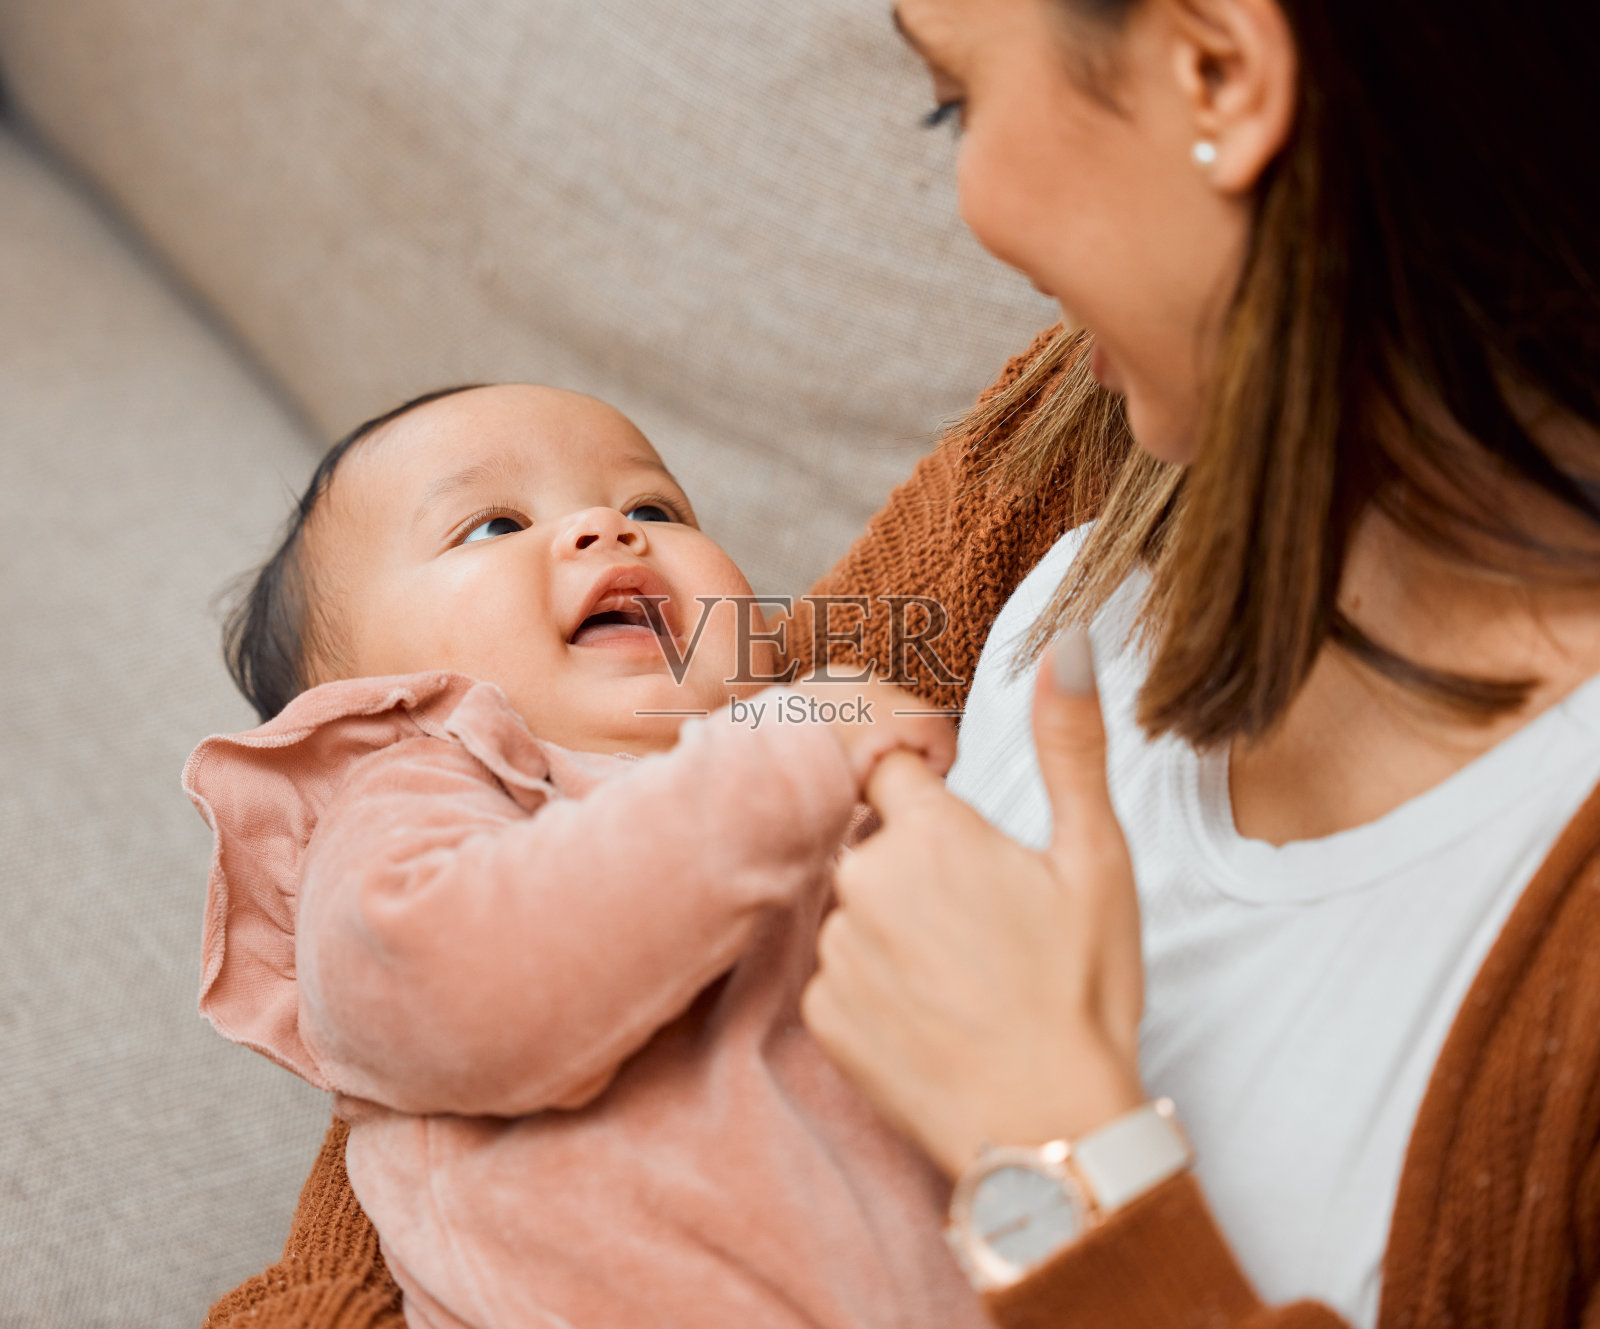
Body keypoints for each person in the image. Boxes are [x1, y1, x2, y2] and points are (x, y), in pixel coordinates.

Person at [206, 0, 1600, 1326]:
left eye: (956, 101)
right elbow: (445, 1011)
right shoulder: (1109, 413)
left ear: (1221, 73)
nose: (604, 530)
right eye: (495, 526)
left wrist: (1057, 1152)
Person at [184, 382, 983, 1329]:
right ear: (372, 696)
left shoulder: (823, 772)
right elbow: (447, 983)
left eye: (655, 508)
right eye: (490, 525)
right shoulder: (417, 785)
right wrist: (785, 760)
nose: (608, 527)